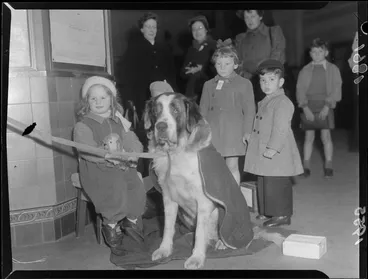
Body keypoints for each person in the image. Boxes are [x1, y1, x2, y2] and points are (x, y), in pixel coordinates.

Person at [73, 76, 147, 251]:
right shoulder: (83, 125)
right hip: (97, 169)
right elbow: (86, 150)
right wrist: (106, 156)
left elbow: (132, 140)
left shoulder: (119, 120)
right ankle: (111, 224)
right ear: (86, 102)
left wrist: (133, 153)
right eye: (93, 98)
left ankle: (132, 221)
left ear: (112, 100)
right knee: (115, 186)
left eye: (103, 98)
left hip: (120, 166)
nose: (98, 102)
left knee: (135, 186)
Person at [244, 59, 303, 227]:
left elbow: (280, 129)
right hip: (264, 149)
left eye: (271, 80)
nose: (266, 84)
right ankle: (269, 211)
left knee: (277, 182)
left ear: (281, 82)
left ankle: (282, 214)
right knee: (265, 182)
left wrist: (273, 148)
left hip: (277, 151)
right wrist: (251, 135)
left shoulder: (282, 102)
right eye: (263, 80)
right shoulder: (267, 100)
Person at [200, 42, 256, 185]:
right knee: (214, 167)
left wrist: (247, 132)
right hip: (214, 130)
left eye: (227, 64)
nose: (223, 67)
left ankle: (234, 199)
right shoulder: (208, 85)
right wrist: (201, 130)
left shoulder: (245, 84)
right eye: (219, 64)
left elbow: (250, 110)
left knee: (232, 165)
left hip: (234, 131)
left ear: (235, 65)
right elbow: (203, 110)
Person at [296, 38, 342, 178]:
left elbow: (336, 88)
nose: (316, 54)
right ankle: (306, 165)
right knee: (308, 137)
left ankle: (328, 164)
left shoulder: (333, 69)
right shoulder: (305, 70)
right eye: (313, 51)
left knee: (325, 136)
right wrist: (305, 108)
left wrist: (327, 107)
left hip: (325, 105)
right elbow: (300, 89)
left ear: (326, 52)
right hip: (309, 105)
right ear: (310, 53)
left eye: (320, 51)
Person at [118, 12, 177, 119]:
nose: (151, 30)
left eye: (154, 27)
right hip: (141, 96)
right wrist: (129, 98)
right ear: (142, 29)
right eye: (148, 26)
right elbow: (126, 75)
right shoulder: (134, 49)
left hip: (162, 94)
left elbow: (171, 73)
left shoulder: (164, 49)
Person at [235, 10, 286, 105]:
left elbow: (277, 57)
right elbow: (237, 62)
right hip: (248, 86)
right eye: (246, 17)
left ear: (260, 16)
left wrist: (261, 77)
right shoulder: (240, 39)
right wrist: (245, 76)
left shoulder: (273, 32)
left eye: (253, 16)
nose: (250, 20)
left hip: (271, 84)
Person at [181, 15, 217, 103]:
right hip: (192, 94)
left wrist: (201, 68)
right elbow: (182, 73)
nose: (197, 32)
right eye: (194, 29)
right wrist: (188, 70)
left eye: (200, 28)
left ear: (206, 29)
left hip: (210, 93)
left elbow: (218, 70)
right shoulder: (190, 49)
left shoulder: (215, 46)